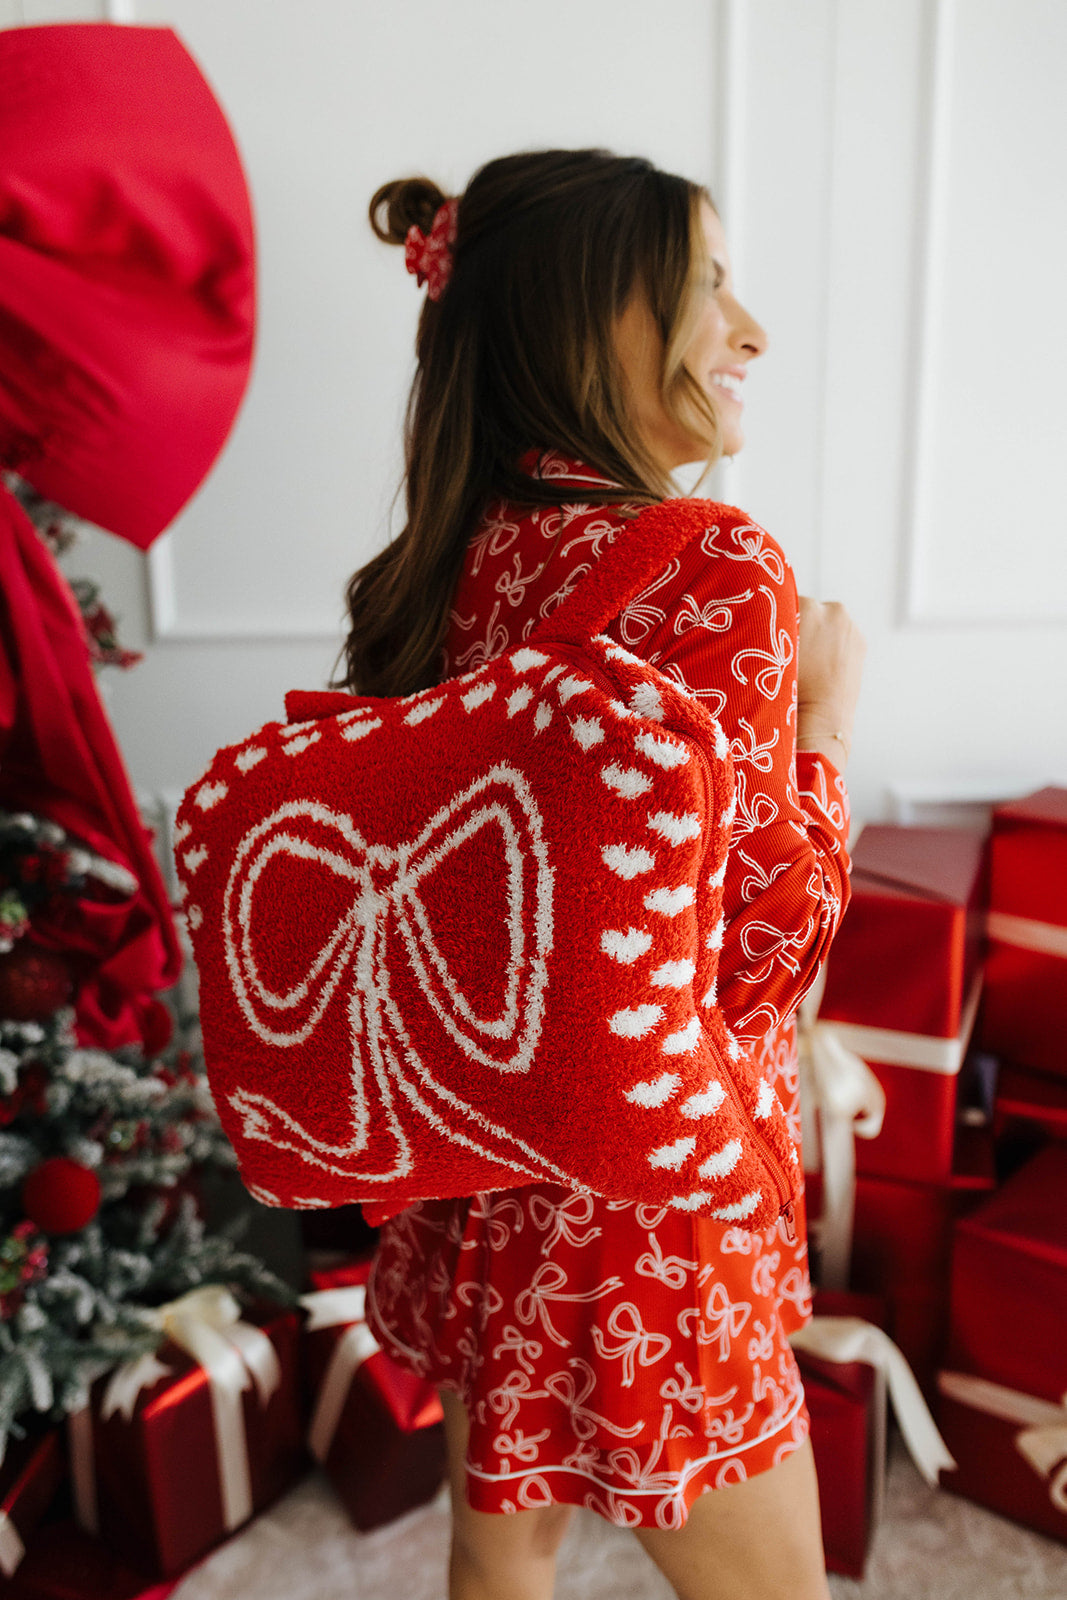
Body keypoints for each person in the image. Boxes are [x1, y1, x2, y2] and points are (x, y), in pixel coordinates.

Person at [340, 150, 865, 1600]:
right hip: (652, 1217)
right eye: (710, 286)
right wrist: (825, 721)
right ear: (594, 320)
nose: (751, 330)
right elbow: (757, 959)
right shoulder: (709, 570)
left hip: (482, 1169)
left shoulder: (452, 561)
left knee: (498, 1549)